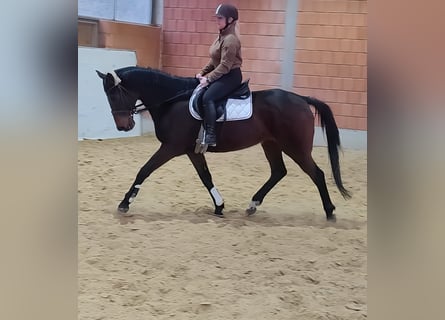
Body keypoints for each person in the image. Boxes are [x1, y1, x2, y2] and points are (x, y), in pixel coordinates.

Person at [196, 3, 243, 146]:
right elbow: (214, 60)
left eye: (220, 18)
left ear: (230, 20)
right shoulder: (221, 37)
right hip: (222, 74)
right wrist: (202, 72)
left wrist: (208, 79)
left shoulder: (231, 40)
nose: (217, 21)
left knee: (208, 97)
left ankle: (211, 135)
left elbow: (225, 66)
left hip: (230, 76)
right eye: (216, 18)